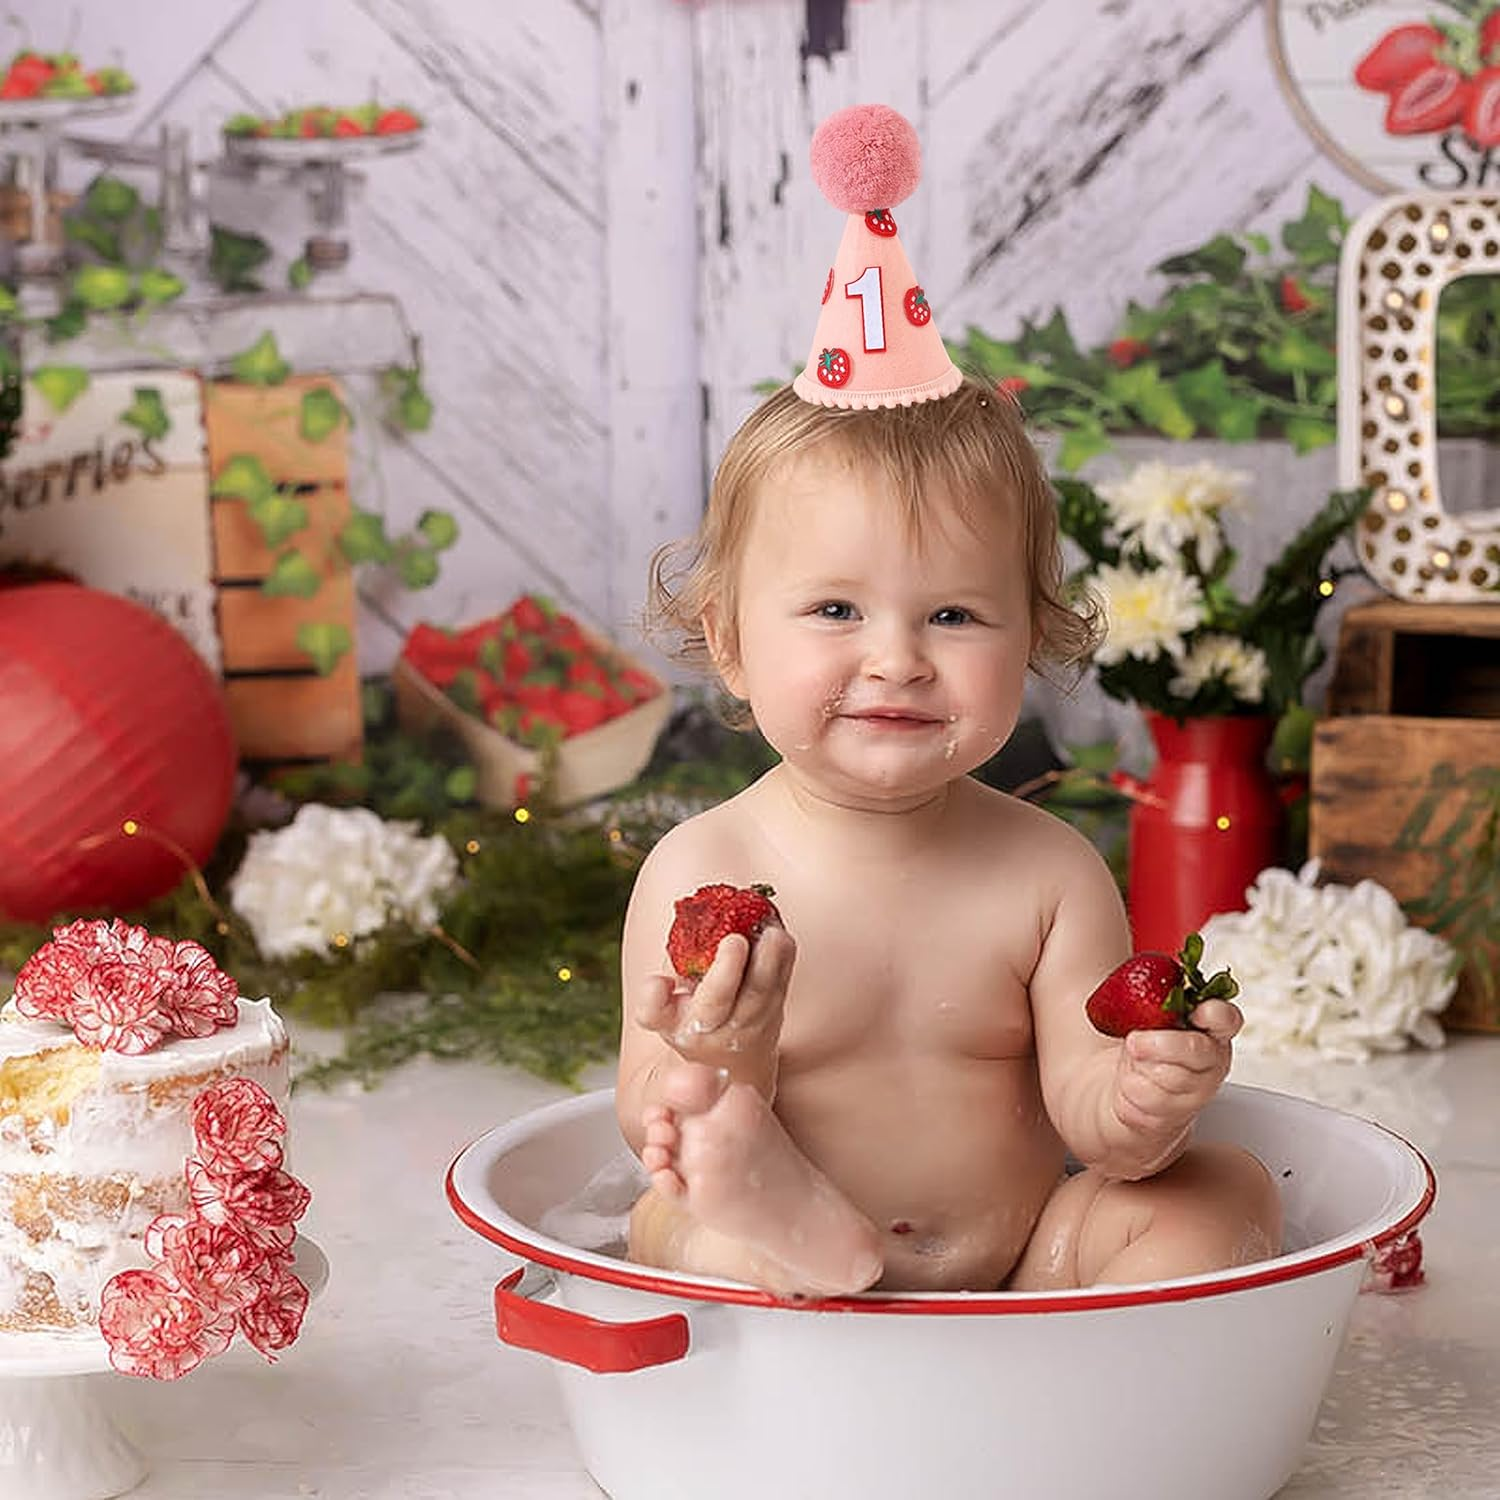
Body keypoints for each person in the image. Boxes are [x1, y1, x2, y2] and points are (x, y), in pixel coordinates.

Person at [613, 376, 1282, 1299]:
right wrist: (728, 1053)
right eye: (837, 610)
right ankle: (786, 1221)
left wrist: (1142, 1102)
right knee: (686, 1213)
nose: (898, 660)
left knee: (1220, 1188)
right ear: (728, 639)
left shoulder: (1049, 874)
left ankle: (1078, 1352)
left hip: (1021, 1267)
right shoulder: (705, 867)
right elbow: (652, 1104)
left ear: (1033, 639)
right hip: (769, 1260)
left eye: (954, 616)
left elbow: (1095, 1129)